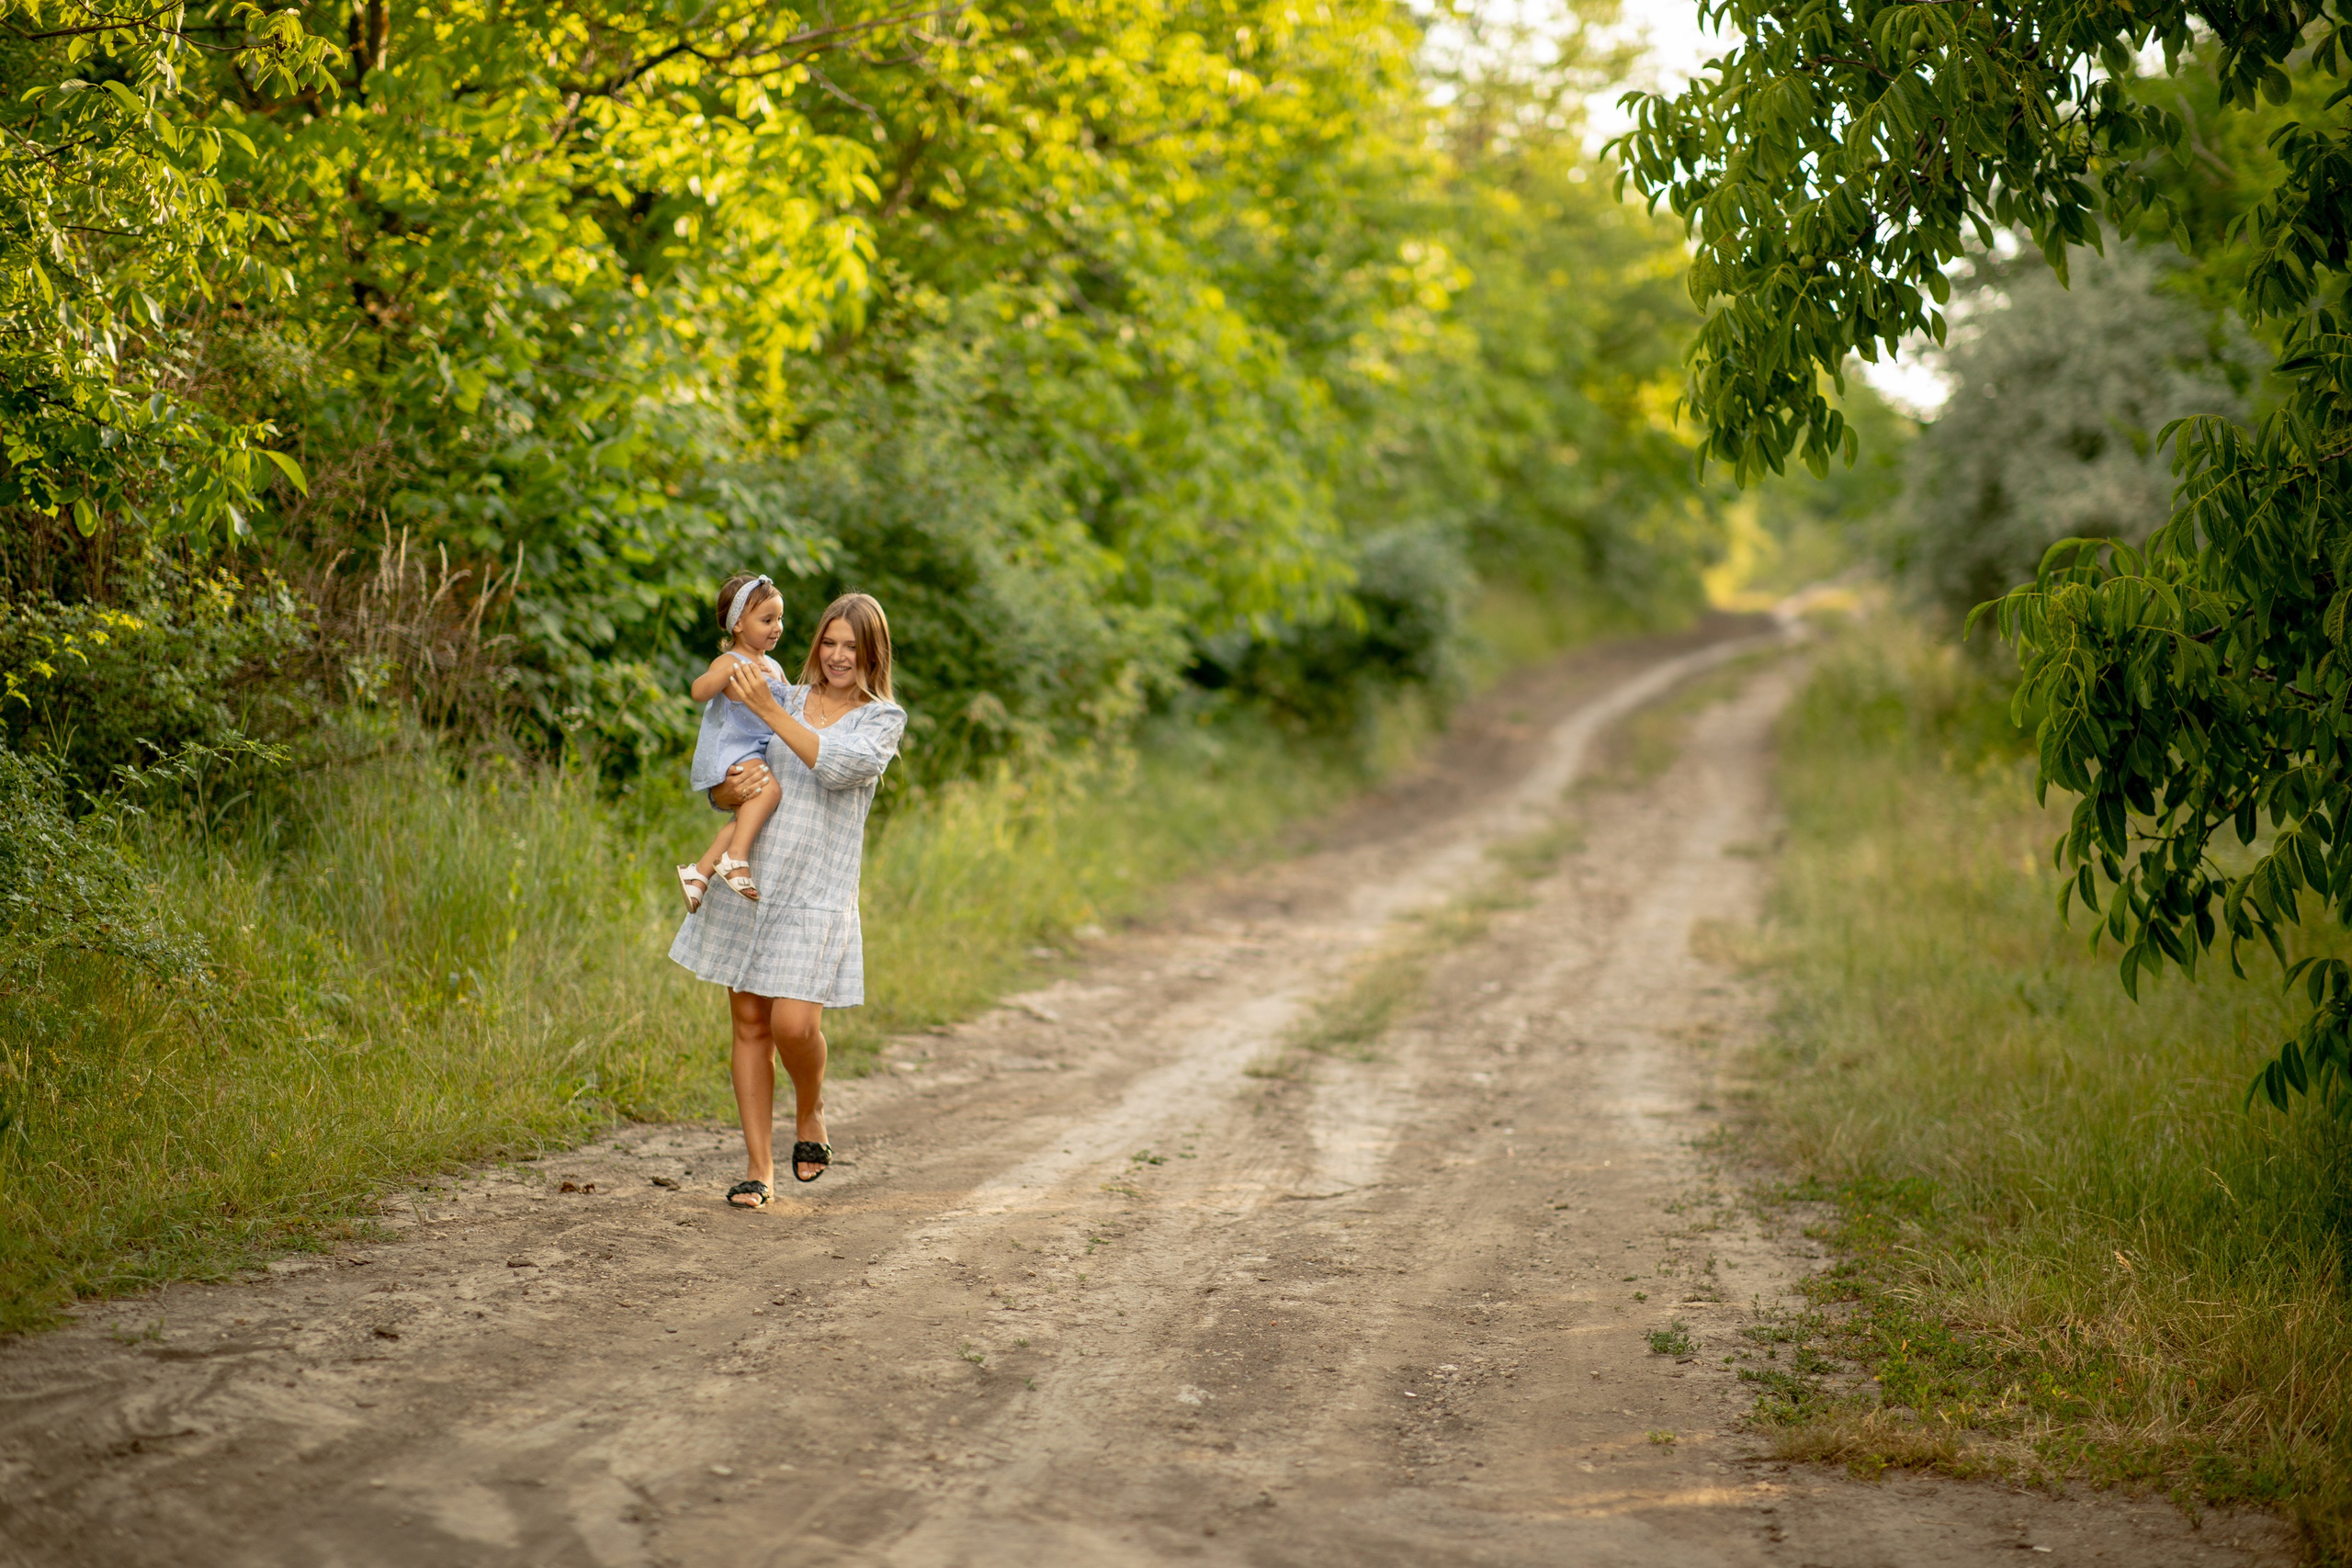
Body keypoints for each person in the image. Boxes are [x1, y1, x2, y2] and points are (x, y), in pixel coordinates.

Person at [669, 591, 906, 1209]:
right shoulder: (785, 693)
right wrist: (727, 789)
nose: (836, 656)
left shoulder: (881, 719)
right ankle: (758, 1167)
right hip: (750, 880)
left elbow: (831, 766)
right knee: (749, 1023)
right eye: (828, 642)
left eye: (851, 646)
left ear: (872, 652)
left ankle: (811, 1108)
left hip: (818, 894)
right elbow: (733, 775)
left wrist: (769, 709)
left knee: (793, 1024)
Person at [676, 573, 790, 910]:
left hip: (756, 752)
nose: (777, 627)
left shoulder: (773, 665)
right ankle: (735, 858)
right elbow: (699, 690)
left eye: (780, 619)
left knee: (745, 820)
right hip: (733, 752)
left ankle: (698, 876)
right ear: (738, 624)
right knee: (770, 791)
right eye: (767, 620)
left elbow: (793, 703)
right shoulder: (731, 662)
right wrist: (727, 674)